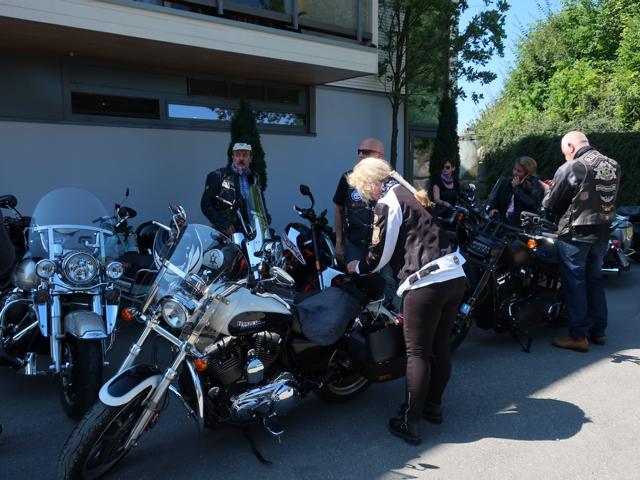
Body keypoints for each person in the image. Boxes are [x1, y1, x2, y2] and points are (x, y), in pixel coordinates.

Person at [345, 157, 466, 446]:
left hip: (426, 282)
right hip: (455, 275)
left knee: (417, 353)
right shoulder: (411, 193)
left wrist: (357, 267)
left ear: (371, 182)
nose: (365, 195)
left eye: (363, 188)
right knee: (440, 347)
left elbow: (379, 255)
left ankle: (410, 422)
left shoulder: (388, 201)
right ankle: (433, 407)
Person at [541, 131, 621, 352]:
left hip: (575, 235)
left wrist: (547, 191)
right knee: (595, 280)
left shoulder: (573, 166)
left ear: (570, 146)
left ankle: (578, 336)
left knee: (575, 283)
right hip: (601, 233)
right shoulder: (613, 165)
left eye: (564, 152)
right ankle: (598, 331)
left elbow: (551, 205)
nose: (565, 156)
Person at [333, 138, 385, 264]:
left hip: (383, 245)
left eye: (366, 152)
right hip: (354, 244)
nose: (361, 155)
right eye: (359, 151)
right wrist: (339, 242)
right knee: (354, 275)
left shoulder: (389, 180)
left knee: (386, 277)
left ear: (379, 155)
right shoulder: (348, 177)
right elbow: (339, 211)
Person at [200, 143, 263, 235]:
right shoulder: (218, 175)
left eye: (245, 155)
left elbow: (259, 206)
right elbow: (206, 204)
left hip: (250, 232)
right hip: (225, 233)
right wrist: (223, 224)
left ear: (250, 159)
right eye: (238, 155)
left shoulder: (254, 178)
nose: (241, 158)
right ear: (233, 158)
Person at [487, 156, 542, 226]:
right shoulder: (506, 181)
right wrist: (493, 209)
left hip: (521, 225)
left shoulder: (535, 184)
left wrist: (517, 188)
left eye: (519, 171)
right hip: (502, 221)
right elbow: (495, 199)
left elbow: (533, 203)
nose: (515, 172)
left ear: (527, 174)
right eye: (514, 169)